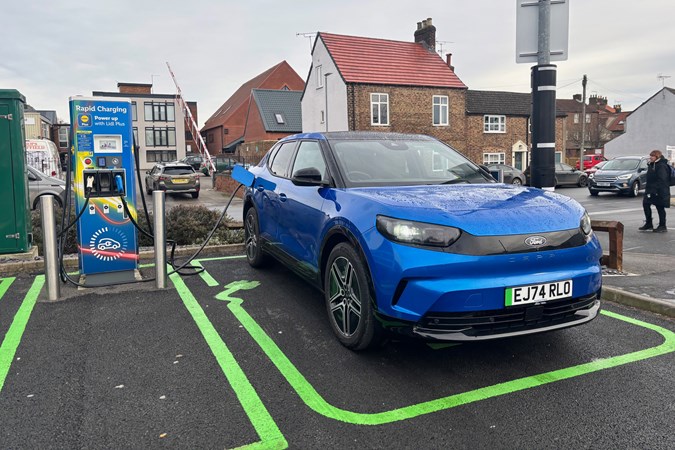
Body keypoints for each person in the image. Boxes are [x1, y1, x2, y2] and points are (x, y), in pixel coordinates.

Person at [639, 149, 670, 232]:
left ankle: (662, 225)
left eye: (653, 156)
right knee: (646, 204)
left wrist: (656, 189)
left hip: (659, 190)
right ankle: (649, 223)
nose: (651, 157)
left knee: (660, 207)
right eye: (651, 156)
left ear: (657, 157)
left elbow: (662, 179)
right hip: (650, 189)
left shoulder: (661, 165)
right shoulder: (651, 164)